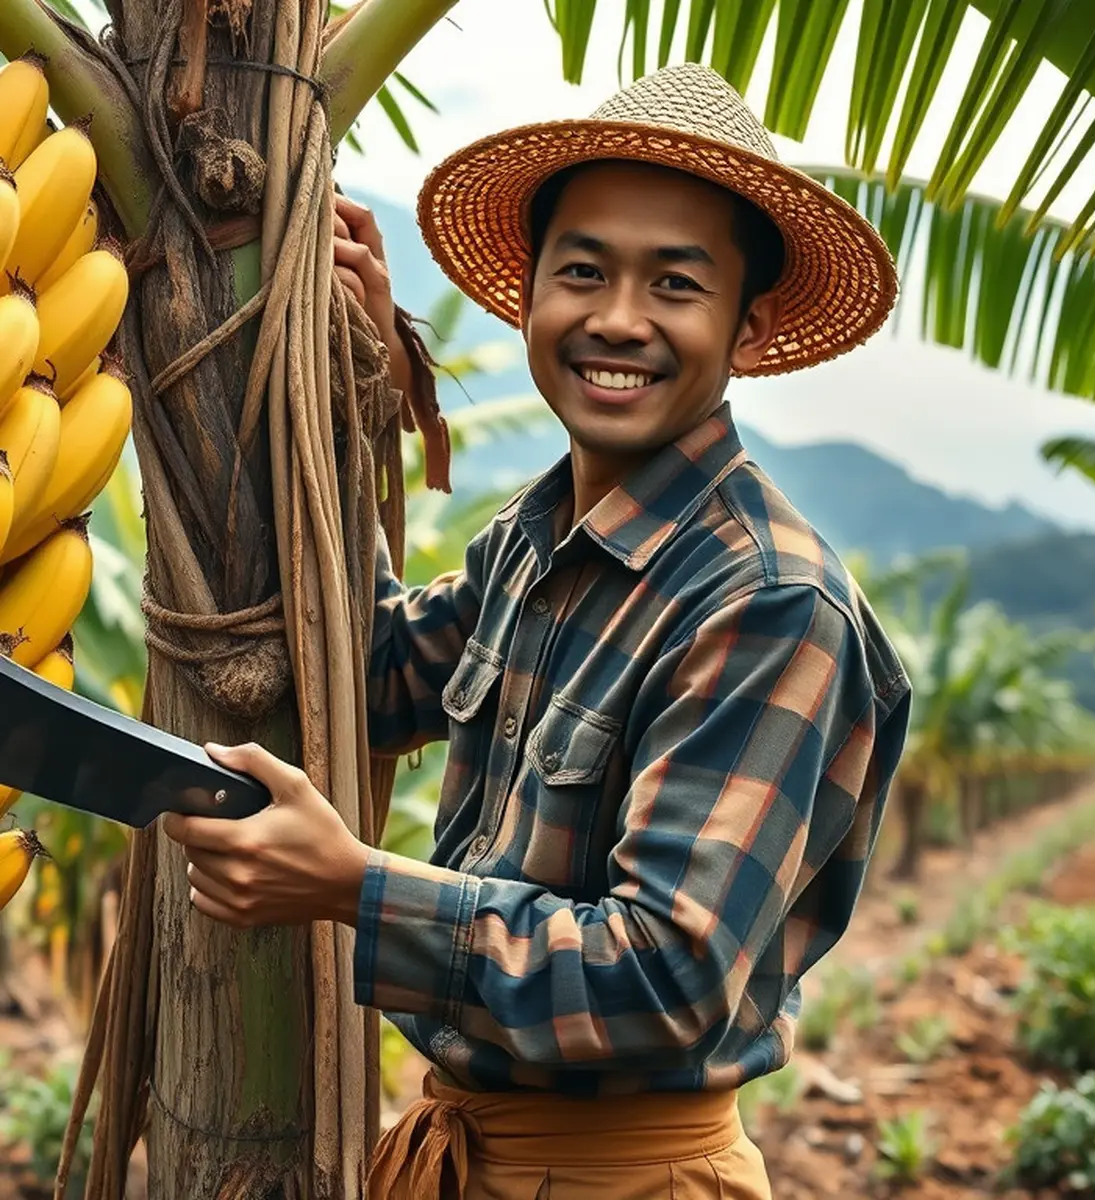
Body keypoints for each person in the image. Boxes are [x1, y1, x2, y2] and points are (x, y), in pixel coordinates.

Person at [162, 62, 912, 1199]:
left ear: (747, 328)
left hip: (624, 1178)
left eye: (674, 284)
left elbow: (666, 977)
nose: (617, 318)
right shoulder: (539, 539)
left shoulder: (767, 603)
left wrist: (355, 889)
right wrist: (356, 389)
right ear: (526, 299)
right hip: (465, 1157)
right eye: (582, 271)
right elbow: (372, 670)